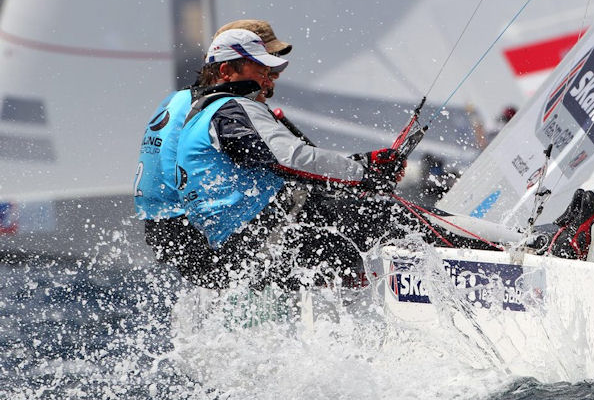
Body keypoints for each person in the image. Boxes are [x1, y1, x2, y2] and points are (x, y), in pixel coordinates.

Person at [175, 28, 408, 289]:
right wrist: (366, 176)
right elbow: (292, 160)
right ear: (226, 72)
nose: (270, 82)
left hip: (241, 250)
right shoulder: (231, 109)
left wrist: (362, 163)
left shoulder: (198, 115)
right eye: (261, 71)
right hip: (265, 241)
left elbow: (278, 164)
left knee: (357, 218)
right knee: (400, 221)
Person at [133, 20, 292, 284]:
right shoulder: (218, 109)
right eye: (264, 62)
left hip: (167, 230)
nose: (271, 76)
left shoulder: (179, 100)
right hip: (196, 232)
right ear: (229, 65)